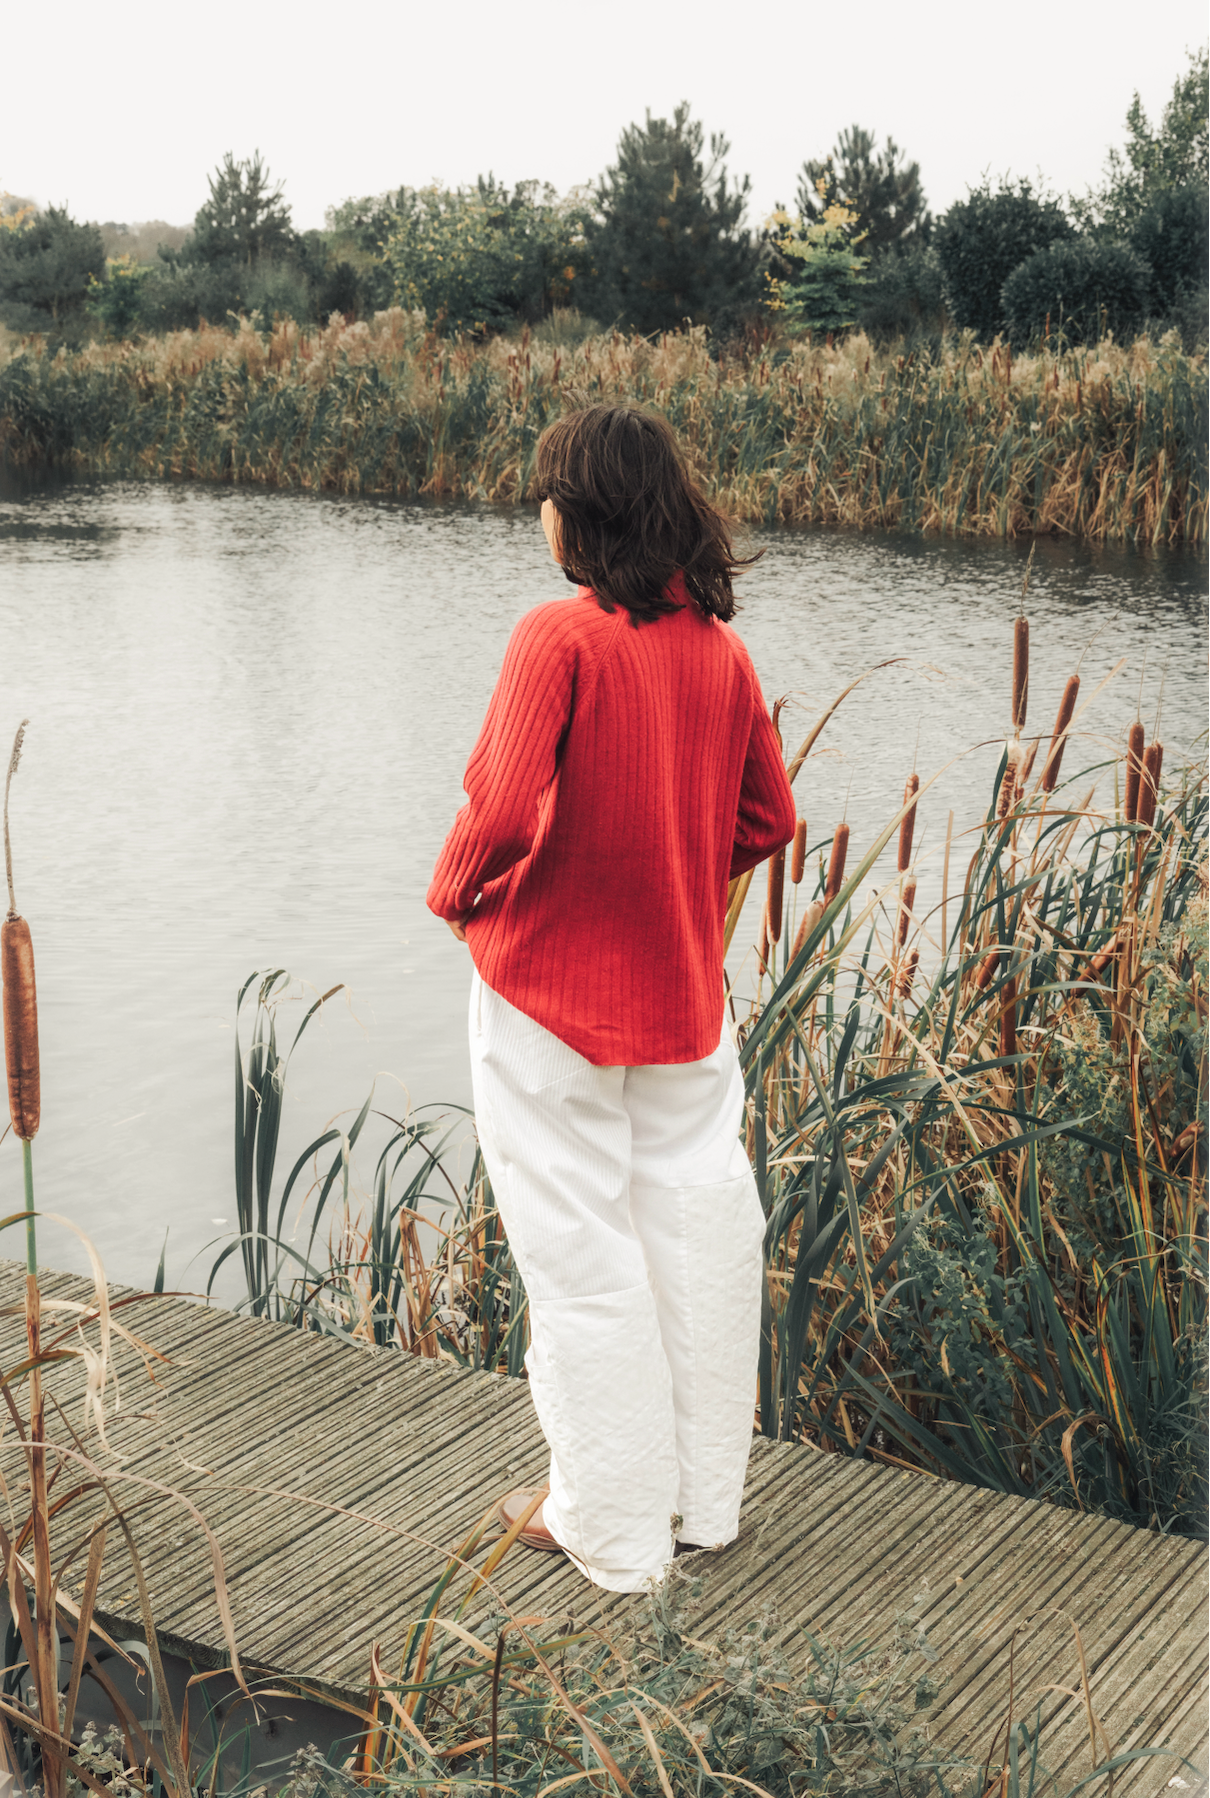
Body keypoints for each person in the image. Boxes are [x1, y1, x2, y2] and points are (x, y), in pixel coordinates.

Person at [426, 403, 796, 1593]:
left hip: (551, 1002)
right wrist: (672, 880)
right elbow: (767, 821)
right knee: (695, 1232)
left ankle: (611, 1530)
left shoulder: (560, 638)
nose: (536, 516)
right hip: (685, 1004)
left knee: (579, 1253)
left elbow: (493, 812)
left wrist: (454, 900)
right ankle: (700, 1506)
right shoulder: (719, 651)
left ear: (576, 515)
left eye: (543, 496)